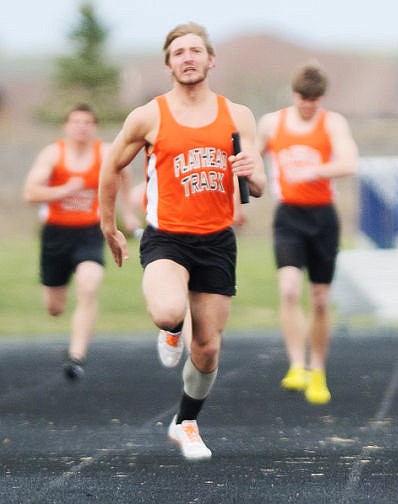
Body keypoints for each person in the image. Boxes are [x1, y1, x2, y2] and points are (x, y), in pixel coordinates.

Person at [98, 22, 266, 460]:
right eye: (178, 53)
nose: (188, 58)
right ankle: (172, 331)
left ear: (211, 60)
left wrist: (252, 171)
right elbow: (110, 166)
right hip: (166, 239)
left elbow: (260, 184)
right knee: (168, 311)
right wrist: (109, 226)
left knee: (208, 349)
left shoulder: (239, 115)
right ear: (169, 63)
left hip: (216, 241)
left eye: (195, 50)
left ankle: (186, 422)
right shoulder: (149, 115)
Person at [255, 63, 358, 405]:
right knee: (287, 289)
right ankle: (296, 365)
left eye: (314, 99)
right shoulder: (273, 123)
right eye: (303, 98)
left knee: (319, 299)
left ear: (321, 98)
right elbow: (252, 158)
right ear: (293, 94)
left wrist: (314, 170)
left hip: (322, 218)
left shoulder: (332, 123)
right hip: (289, 215)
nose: (308, 105)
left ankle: (318, 369)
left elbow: (349, 163)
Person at [23, 103, 137, 381]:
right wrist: (64, 190)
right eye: (76, 122)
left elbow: (123, 172)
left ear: (93, 127)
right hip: (56, 234)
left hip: (90, 231)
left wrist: (128, 213)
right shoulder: (53, 153)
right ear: (67, 126)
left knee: (89, 284)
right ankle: (61, 312)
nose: (81, 127)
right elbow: (30, 193)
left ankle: (76, 357)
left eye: (87, 122)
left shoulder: (105, 151)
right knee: (55, 307)